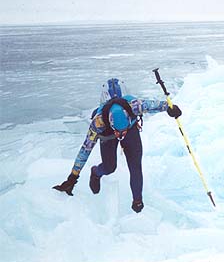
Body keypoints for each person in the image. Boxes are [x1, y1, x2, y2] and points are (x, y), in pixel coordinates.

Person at [53, 78, 181, 213]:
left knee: (135, 165)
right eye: (118, 131)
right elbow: (85, 150)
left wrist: (170, 109)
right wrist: (72, 178)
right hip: (107, 134)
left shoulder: (135, 106)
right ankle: (96, 172)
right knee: (109, 167)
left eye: (122, 131)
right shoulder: (98, 123)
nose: (121, 135)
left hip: (131, 129)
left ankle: (137, 200)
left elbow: (157, 105)